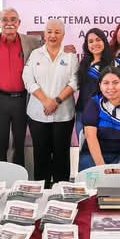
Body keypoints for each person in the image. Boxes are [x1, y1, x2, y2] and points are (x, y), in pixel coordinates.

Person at [0, 8, 42, 167]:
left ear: (19, 23)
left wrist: (66, 50)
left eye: (13, 19)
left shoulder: (32, 42)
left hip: (22, 99)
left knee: (19, 142)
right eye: (5, 19)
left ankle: (19, 175)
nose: (9, 23)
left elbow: (49, 53)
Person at [23, 19, 79, 187]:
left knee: (62, 155)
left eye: (57, 32)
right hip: (37, 114)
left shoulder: (70, 56)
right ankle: (42, 191)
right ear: (44, 34)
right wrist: (46, 101)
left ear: (63, 35)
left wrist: (57, 101)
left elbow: (75, 81)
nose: (53, 35)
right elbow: (28, 79)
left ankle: (62, 191)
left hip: (64, 115)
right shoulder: (35, 54)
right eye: (49, 32)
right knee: (41, 155)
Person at [79, 66, 120, 170]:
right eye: (106, 83)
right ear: (100, 85)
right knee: (97, 177)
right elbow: (90, 136)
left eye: (115, 83)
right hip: (93, 156)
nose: (111, 87)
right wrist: (102, 168)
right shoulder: (93, 103)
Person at [75, 28, 114, 136]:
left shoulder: (112, 64)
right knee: (82, 145)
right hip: (81, 111)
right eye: (90, 41)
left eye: (98, 40)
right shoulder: (84, 63)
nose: (94, 44)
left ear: (104, 41)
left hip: (101, 113)